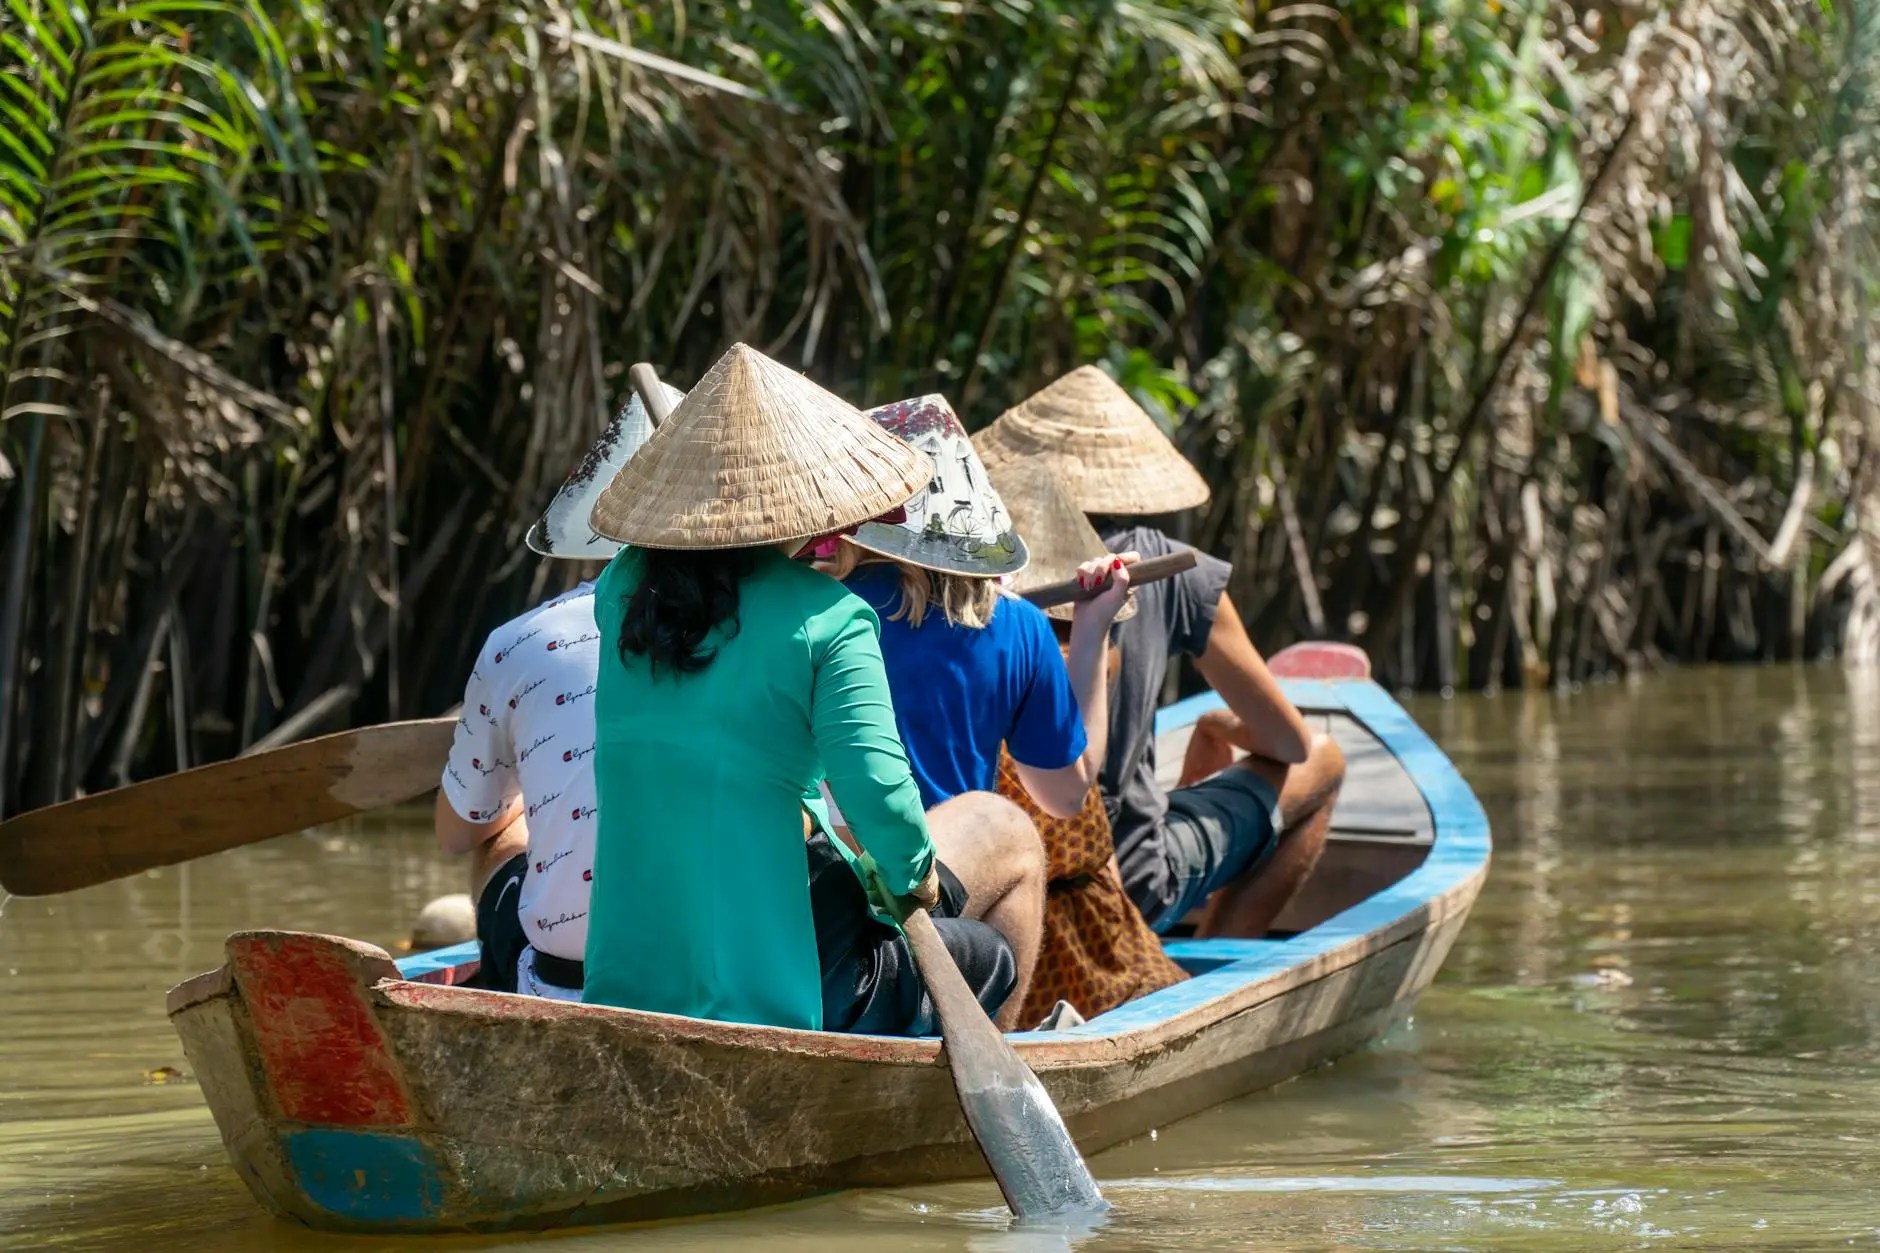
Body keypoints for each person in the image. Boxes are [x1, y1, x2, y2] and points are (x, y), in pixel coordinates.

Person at [579, 343, 1026, 1035]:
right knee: (991, 956)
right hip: (771, 991)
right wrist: (919, 882)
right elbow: (881, 800)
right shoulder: (832, 619)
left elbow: (683, 573)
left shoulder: (622, 590)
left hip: (625, 980)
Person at [974, 364, 1347, 938]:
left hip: (992, 882)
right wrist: (1218, 726)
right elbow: (1288, 741)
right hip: (1129, 879)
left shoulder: (971, 569)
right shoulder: (1166, 569)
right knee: (1323, 759)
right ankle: (1215, 955)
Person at [820, 394, 1132, 1026]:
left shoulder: (803, 607)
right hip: (925, 906)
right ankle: (999, 1038)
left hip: (804, 893)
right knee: (1012, 837)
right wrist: (1092, 631)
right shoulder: (1017, 626)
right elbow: (1067, 795)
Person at [434, 379, 684, 1001]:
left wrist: (519, 803)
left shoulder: (519, 641)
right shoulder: (779, 633)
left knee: (503, 823)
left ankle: (504, 978)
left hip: (569, 981)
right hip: (728, 976)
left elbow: (458, 831)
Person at [984, 457, 1189, 1025]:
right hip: (1046, 936)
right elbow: (1073, 793)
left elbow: (1079, 799)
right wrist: (1093, 634)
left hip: (1071, 933)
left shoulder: (1051, 652)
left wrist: (1092, 634)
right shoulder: (1040, 649)